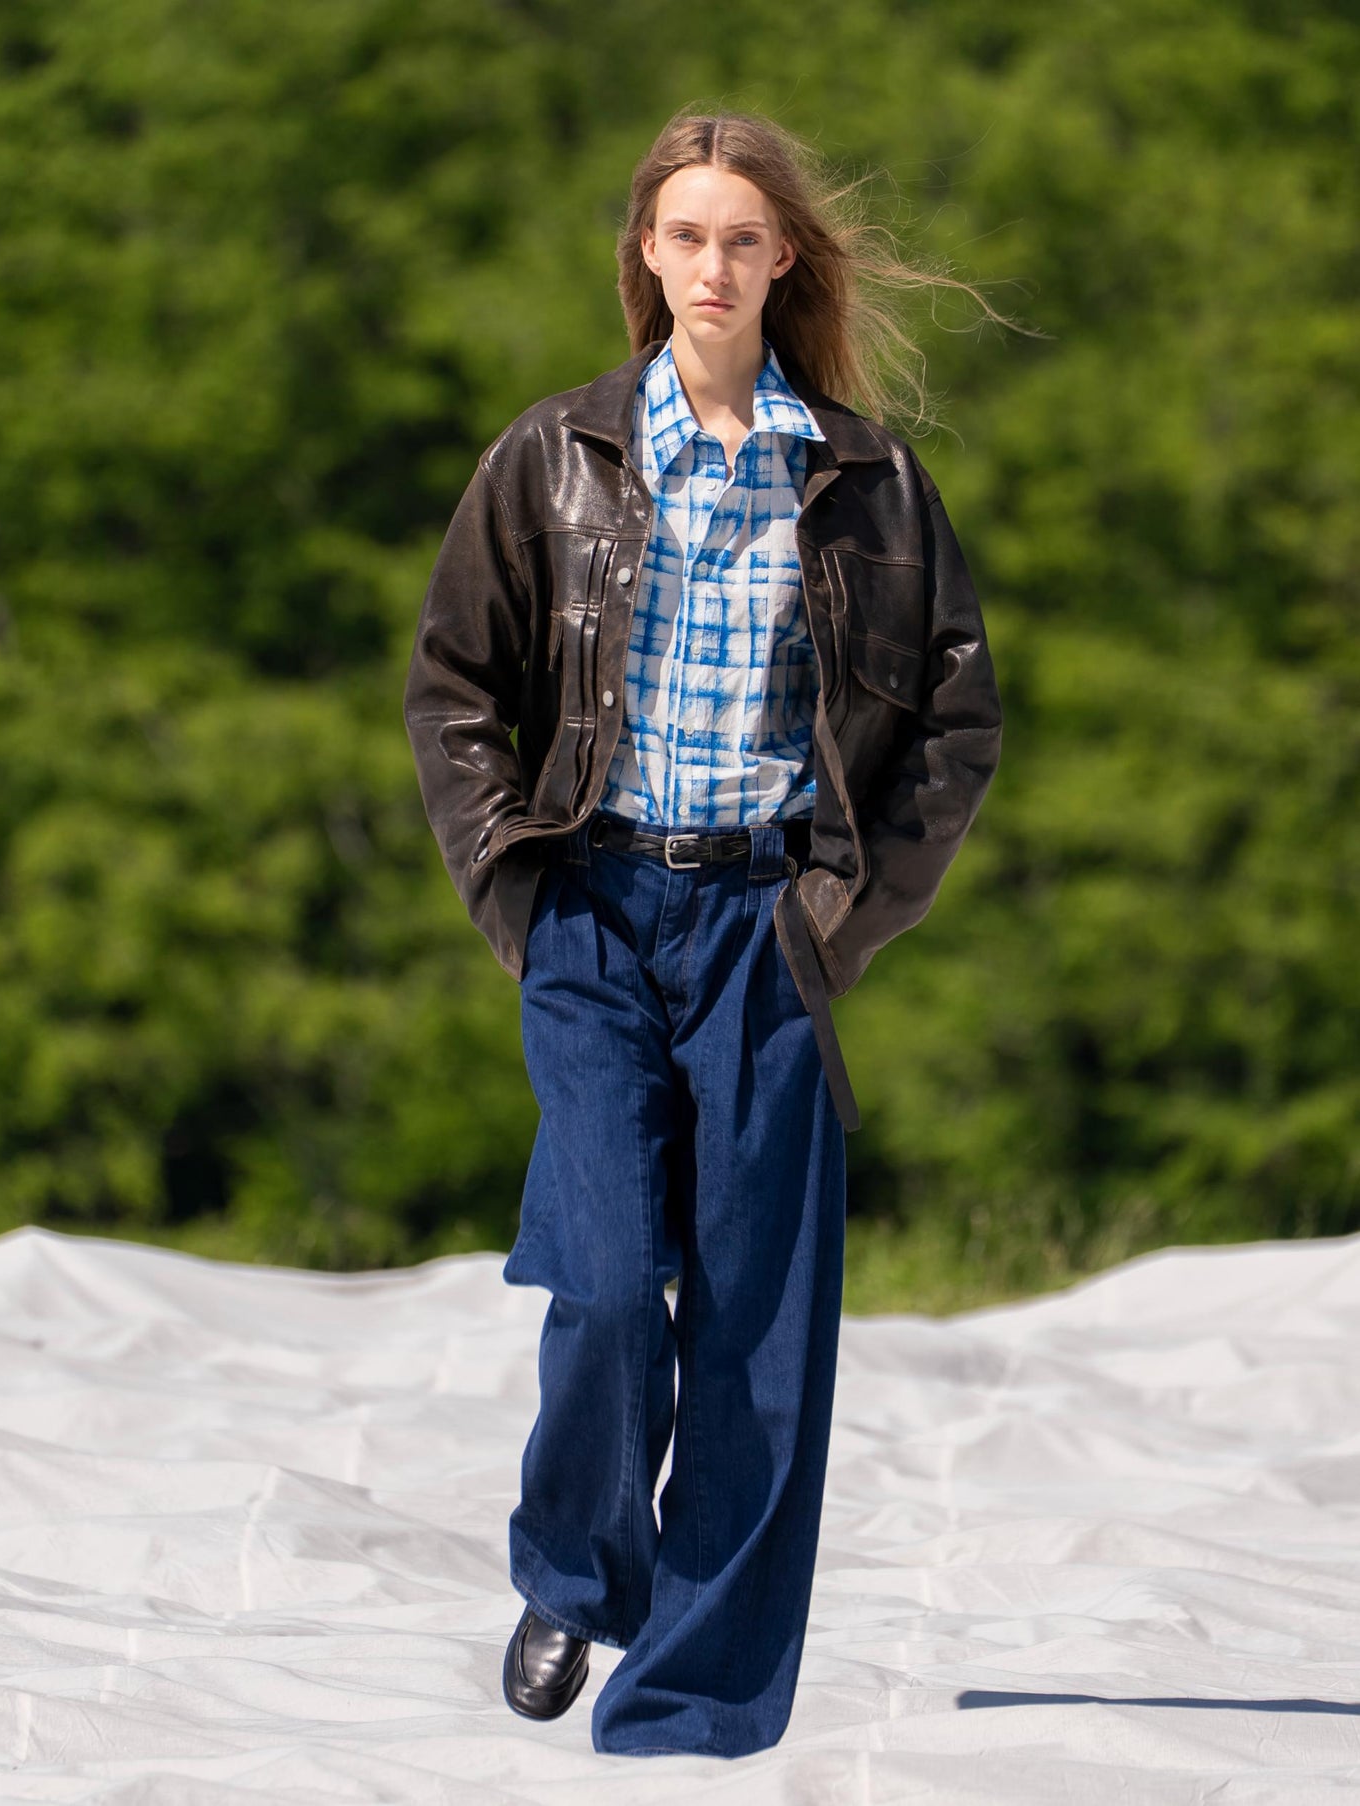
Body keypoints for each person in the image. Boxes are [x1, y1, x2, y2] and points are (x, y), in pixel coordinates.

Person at [403, 107, 1005, 1759]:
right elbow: (454, 685)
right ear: (646, 257)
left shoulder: (869, 483)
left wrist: (836, 918)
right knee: (603, 1282)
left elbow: (956, 728)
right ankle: (574, 1569)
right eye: (686, 235)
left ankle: (689, 1717)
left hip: (766, 921)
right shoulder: (553, 457)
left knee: (755, 1332)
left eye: (744, 236)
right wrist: (511, 886)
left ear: (781, 256)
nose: (715, 264)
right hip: (595, 905)